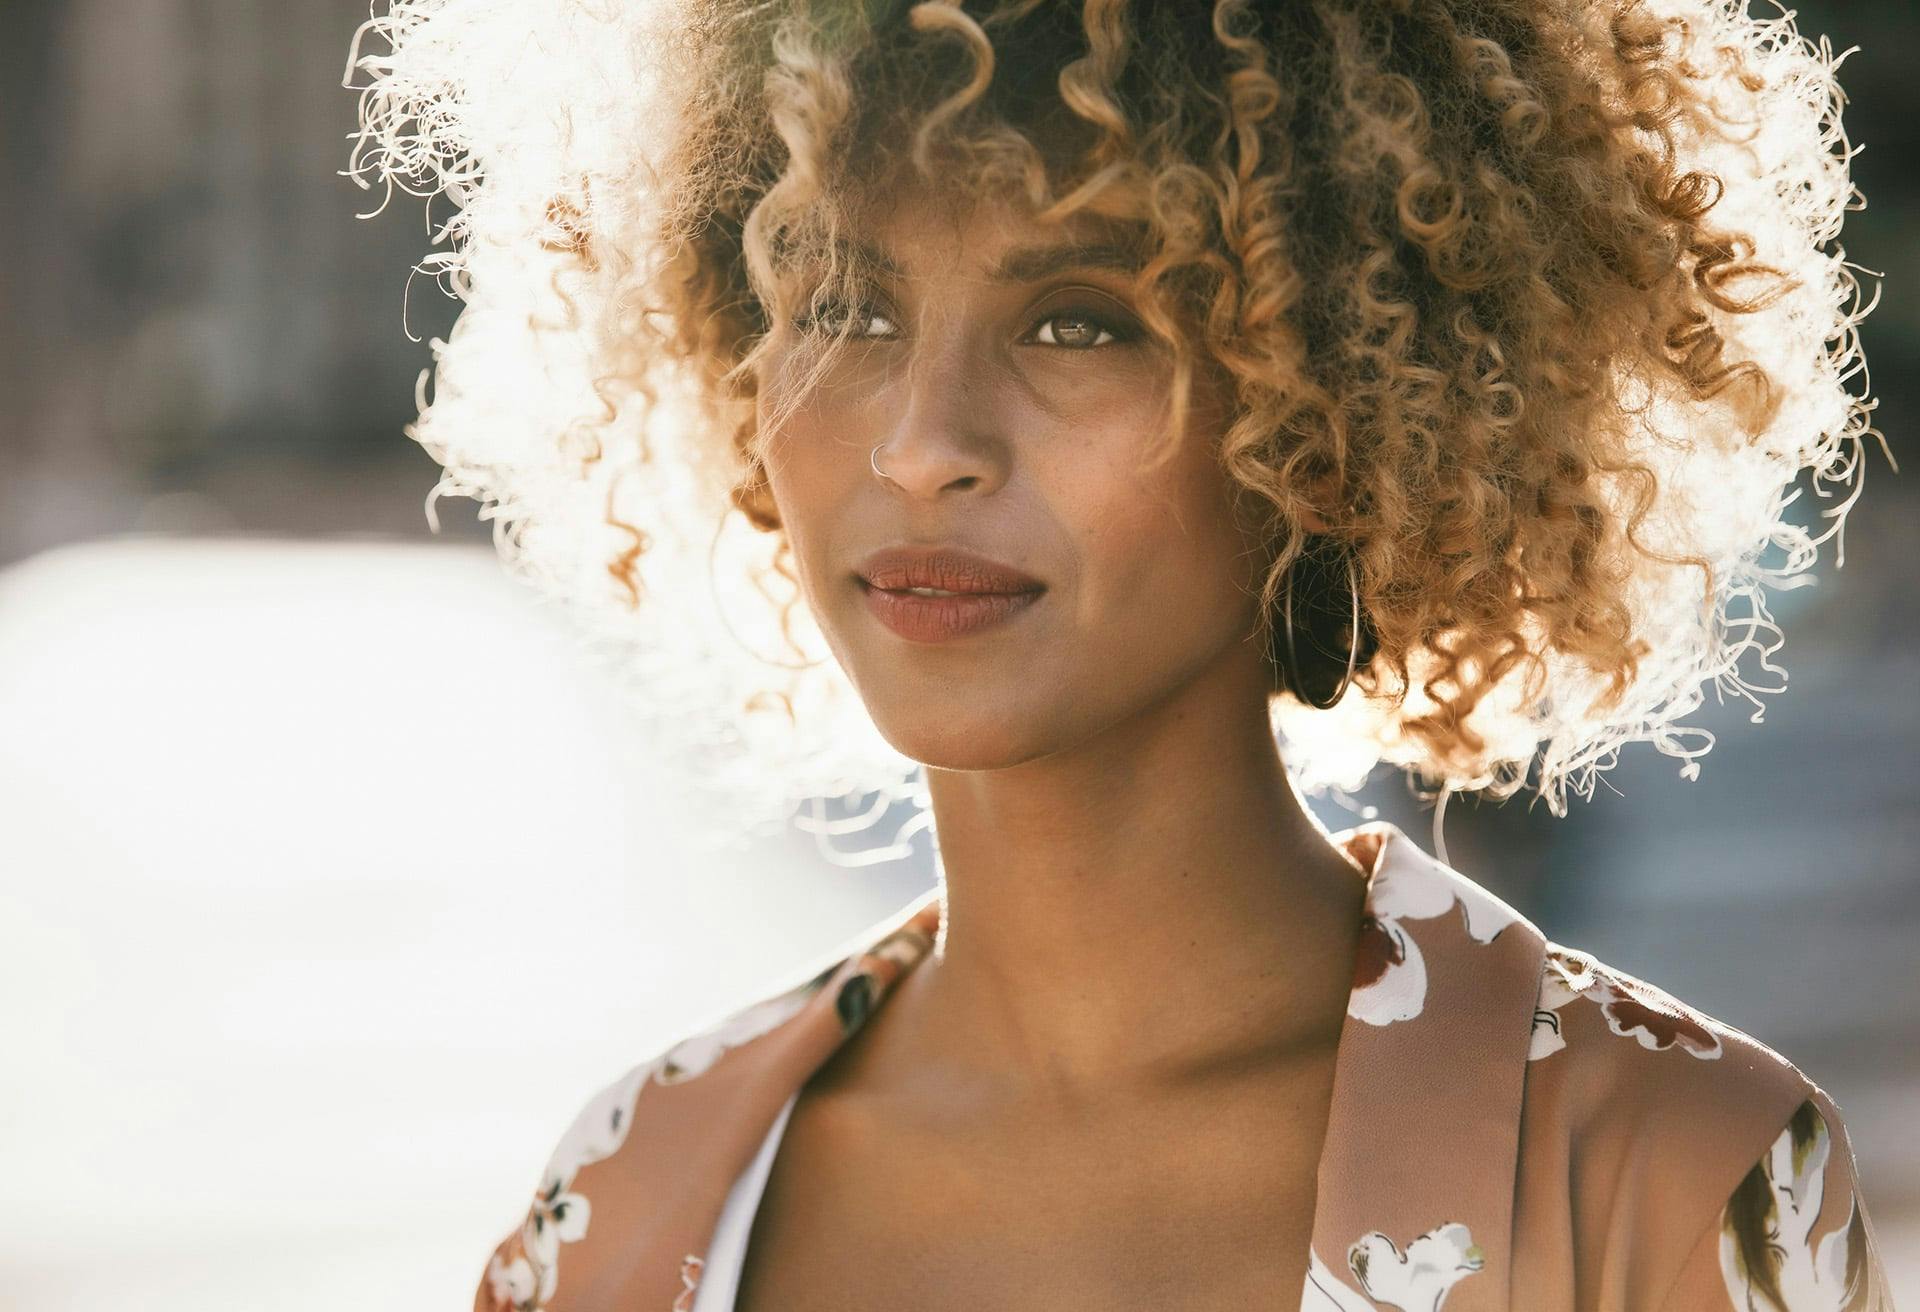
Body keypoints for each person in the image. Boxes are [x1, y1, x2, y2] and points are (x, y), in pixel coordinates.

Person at [344, 0, 1895, 1308]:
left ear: (1332, 410)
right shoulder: (629, 1208)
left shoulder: (1670, 1179)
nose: (922, 442)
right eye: (842, 302)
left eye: (1079, 320)